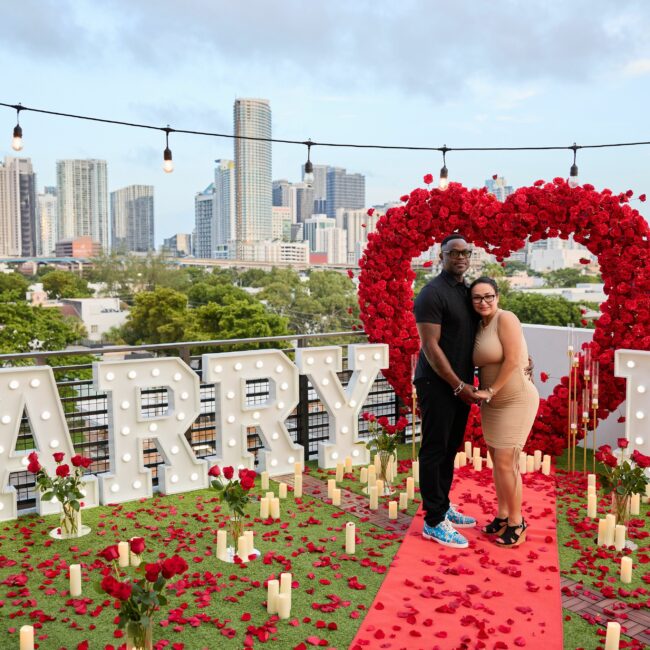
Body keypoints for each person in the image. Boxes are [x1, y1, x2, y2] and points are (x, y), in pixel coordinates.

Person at [413, 234, 479, 549]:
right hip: (437, 383)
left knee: (450, 448)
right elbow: (430, 347)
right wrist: (457, 384)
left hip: (460, 385)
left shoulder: (466, 292)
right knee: (435, 449)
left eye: (466, 252)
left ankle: (442, 505)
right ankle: (433, 521)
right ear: (441, 256)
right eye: (454, 253)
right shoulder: (432, 293)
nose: (461, 257)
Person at [470, 277, 540, 547]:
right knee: (497, 463)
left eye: (488, 296)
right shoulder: (478, 326)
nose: (484, 302)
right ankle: (502, 516)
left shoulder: (506, 318)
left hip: (516, 399)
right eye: (477, 298)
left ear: (497, 296)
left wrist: (490, 390)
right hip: (494, 405)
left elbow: (512, 359)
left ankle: (517, 522)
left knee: (506, 463)